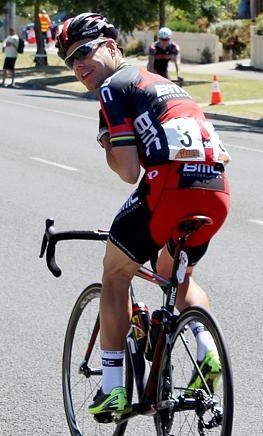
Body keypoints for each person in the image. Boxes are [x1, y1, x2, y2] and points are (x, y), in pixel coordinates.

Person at [55, 13, 231, 415]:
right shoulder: (164, 83)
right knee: (177, 275)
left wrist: (106, 143)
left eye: (85, 52)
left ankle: (113, 388)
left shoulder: (113, 87)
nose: (79, 64)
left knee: (115, 274)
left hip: (171, 188)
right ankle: (207, 350)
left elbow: (129, 171)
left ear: (112, 47)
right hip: (216, 190)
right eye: (70, 60)